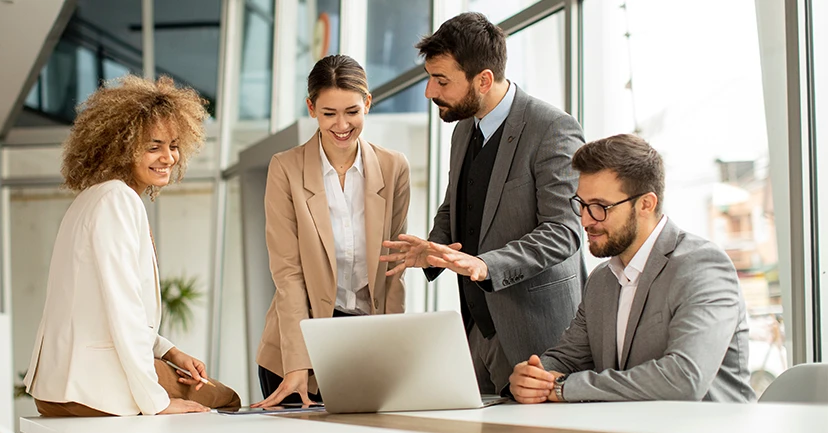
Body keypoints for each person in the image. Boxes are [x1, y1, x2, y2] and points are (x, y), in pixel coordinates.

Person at [381, 12, 585, 394]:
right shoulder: (462, 129)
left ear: (484, 79)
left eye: (441, 81)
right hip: (477, 329)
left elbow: (564, 232)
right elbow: (455, 203)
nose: (429, 92)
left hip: (538, 335)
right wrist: (432, 247)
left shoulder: (552, 129)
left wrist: (485, 265)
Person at [23, 75, 241, 417]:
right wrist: (158, 402)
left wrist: (169, 353)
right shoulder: (117, 200)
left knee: (203, 387)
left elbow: (99, 307)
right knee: (226, 398)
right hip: (92, 387)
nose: (168, 157)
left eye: (173, 145)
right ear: (120, 146)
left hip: (56, 387)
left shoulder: (91, 198)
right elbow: (122, 309)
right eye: (153, 146)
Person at [508, 134, 756, 403]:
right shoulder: (601, 280)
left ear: (646, 204)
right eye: (581, 204)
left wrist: (563, 388)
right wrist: (533, 377)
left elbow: (684, 379)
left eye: (600, 207)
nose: (586, 220)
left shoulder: (703, 267)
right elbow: (567, 357)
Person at [253, 55, 411, 407]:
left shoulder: (393, 167)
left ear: (367, 103)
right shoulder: (286, 169)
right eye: (329, 114)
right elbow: (288, 273)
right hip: (298, 345)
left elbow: (393, 268)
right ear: (311, 108)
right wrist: (298, 363)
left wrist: (394, 352)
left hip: (366, 342)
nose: (342, 125)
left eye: (352, 112)